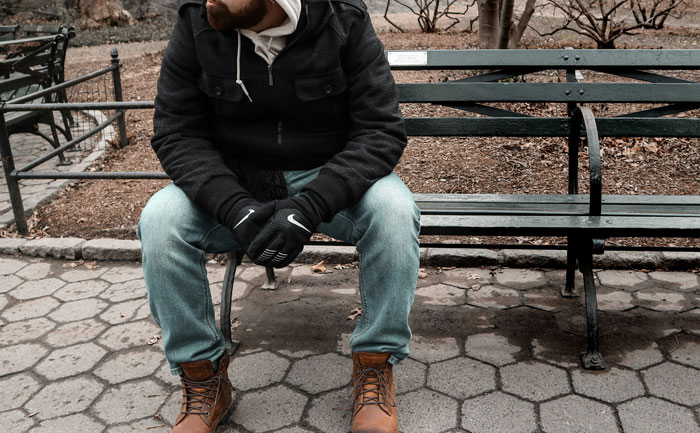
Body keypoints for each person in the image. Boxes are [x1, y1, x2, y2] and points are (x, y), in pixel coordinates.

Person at [137, 0, 420, 431]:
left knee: (395, 212)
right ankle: (204, 378)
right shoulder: (197, 21)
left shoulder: (343, 20)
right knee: (160, 220)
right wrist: (233, 205)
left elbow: (380, 130)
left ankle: (375, 365)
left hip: (327, 178)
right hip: (234, 180)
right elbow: (176, 133)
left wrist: (310, 206)